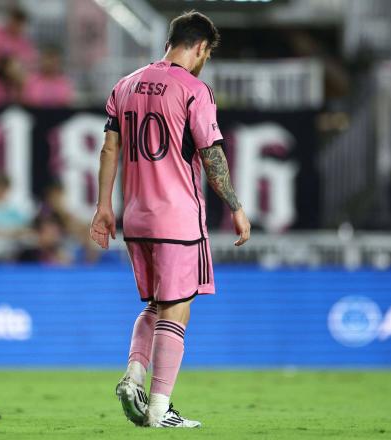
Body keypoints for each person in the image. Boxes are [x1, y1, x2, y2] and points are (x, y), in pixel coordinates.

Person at [90, 11, 250, 428]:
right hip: (177, 217)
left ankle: (134, 376)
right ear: (199, 47)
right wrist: (234, 206)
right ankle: (160, 409)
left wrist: (104, 207)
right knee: (177, 309)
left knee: (155, 304)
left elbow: (110, 149)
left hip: (136, 218)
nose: (205, 60)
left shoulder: (125, 85)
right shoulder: (194, 90)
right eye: (207, 53)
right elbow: (212, 155)